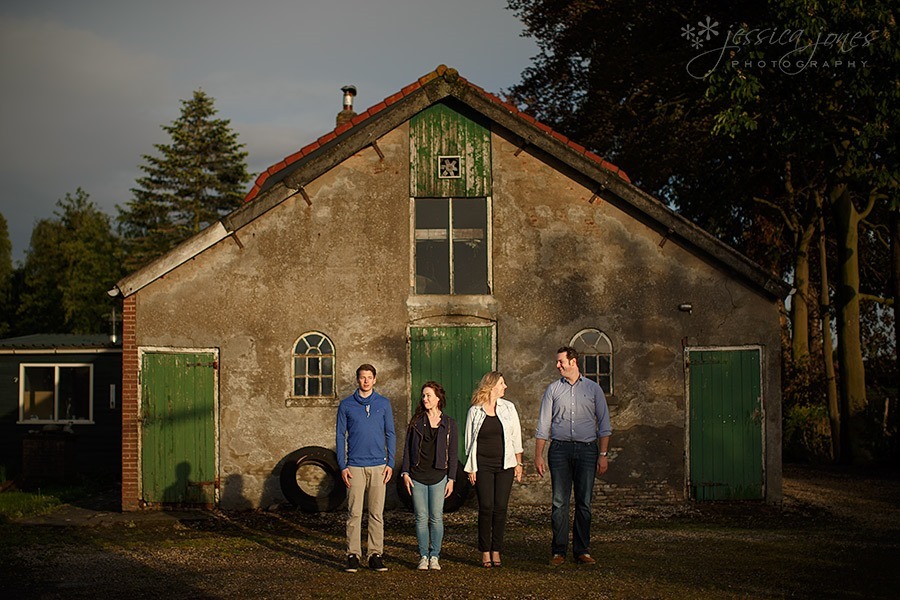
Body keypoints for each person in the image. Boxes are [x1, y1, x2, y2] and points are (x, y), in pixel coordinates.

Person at [534, 346, 612, 566]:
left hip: (588, 450)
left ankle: (582, 550)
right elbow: (543, 426)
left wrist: (603, 454)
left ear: (573, 362)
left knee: (584, 501)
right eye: (557, 362)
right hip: (559, 450)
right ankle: (558, 551)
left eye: (561, 362)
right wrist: (538, 455)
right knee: (559, 502)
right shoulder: (552, 390)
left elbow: (604, 426)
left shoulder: (593, 389)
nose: (557, 365)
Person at [336, 364, 396, 573]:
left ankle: (375, 554)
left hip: (379, 466)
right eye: (362, 377)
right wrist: (342, 466)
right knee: (354, 513)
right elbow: (339, 436)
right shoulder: (346, 405)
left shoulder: (383, 404)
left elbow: (391, 433)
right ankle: (353, 555)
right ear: (357, 380)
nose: (366, 381)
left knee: (376, 513)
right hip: (354, 466)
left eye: (369, 377)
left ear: (375, 380)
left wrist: (391, 463)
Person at [464, 371, 524, 569]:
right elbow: (468, 443)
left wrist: (519, 463)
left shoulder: (509, 408)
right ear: (491, 386)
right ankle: (485, 551)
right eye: (502, 383)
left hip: (505, 465)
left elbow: (516, 438)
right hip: (483, 466)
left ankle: (496, 549)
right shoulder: (475, 411)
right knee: (486, 507)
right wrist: (471, 468)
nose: (505, 386)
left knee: (500, 508)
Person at [400, 381, 459, 571]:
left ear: (438, 398)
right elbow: (407, 450)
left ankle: (435, 556)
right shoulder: (416, 422)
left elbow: (453, 453)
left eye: (429, 396)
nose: (425, 399)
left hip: (439, 476)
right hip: (417, 476)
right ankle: (423, 556)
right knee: (420, 517)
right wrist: (405, 472)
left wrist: (451, 478)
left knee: (436, 518)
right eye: (423, 396)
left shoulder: (449, 424)